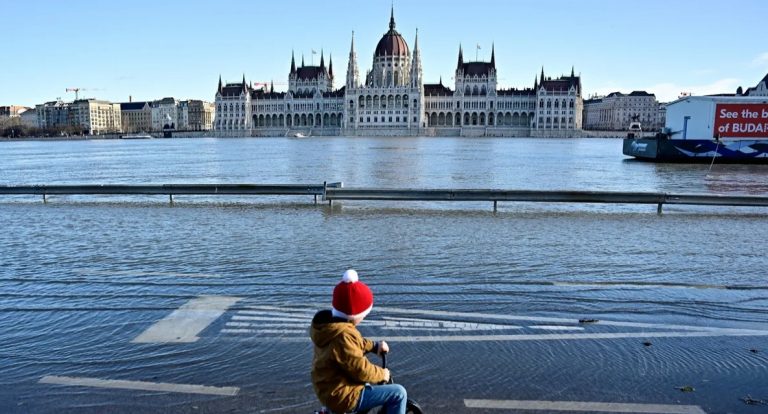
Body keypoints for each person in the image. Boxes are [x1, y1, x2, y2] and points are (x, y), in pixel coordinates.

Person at [310, 269, 407, 414]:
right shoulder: (344, 335)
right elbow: (360, 369)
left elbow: (354, 344)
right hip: (343, 396)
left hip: (328, 388)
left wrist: (374, 346)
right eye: (364, 314)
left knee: (367, 385)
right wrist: (382, 374)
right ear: (354, 315)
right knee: (398, 393)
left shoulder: (330, 328)